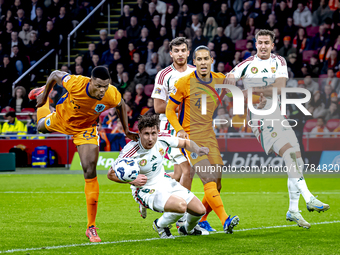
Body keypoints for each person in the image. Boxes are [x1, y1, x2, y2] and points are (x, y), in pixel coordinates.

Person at [225, 29, 330, 229]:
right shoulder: (247, 64)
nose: (263, 46)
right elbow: (231, 76)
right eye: (260, 42)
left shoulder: (279, 61)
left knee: (297, 159)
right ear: (255, 44)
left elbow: (280, 87)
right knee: (289, 154)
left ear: (273, 45)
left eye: (267, 42)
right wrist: (231, 79)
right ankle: (309, 198)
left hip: (278, 115)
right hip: (259, 118)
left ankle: (293, 210)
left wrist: (253, 90)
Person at [27, 66, 139, 242]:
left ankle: (91, 227)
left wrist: (126, 130)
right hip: (61, 118)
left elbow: (121, 105)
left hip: (85, 129)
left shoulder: (111, 93)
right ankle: (44, 95)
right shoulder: (77, 83)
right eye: (99, 86)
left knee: (89, 169)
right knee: (40, 126)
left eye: (105, 86)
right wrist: (43, 95)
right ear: (91, 81)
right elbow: (55, 74)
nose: (102, 90)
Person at [166, 45, 240, 233]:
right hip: (190, 138)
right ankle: (225, 220)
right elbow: (169, 110)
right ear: (195, 62)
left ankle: (203, 219)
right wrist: (180, 130)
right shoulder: (184, 82)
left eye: (206, 59)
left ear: (211, 60)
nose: (203, 62)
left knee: (217, 182)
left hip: (209, 135)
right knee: (207, 178)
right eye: (199, 59)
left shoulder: (220, 80)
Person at [107, 114, 208, 238]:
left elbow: (185, 143)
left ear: (158, 132)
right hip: (145, 189)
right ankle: (160, 225)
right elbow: (110, 174)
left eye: (153, 133)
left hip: (165, 181)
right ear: (139, 133)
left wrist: (198, 150)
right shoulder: (131, 150)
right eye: (146, 134)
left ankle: (187, 229)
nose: (150, 138)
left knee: (200, 210)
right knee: (181, 206)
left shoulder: (162, 138)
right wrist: (133, 180)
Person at [151, 37, 195, 194]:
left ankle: (146, 187)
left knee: (177, 175)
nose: (180, 54)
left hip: (190, 126)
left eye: (183, 50)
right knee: (188, 170)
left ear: (188, 52)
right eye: (176, 51)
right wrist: (185, 109)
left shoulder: (195, 72)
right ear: (171, 54)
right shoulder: (164, 75)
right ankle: (182, 213)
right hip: (171, 127)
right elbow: (158, 107)